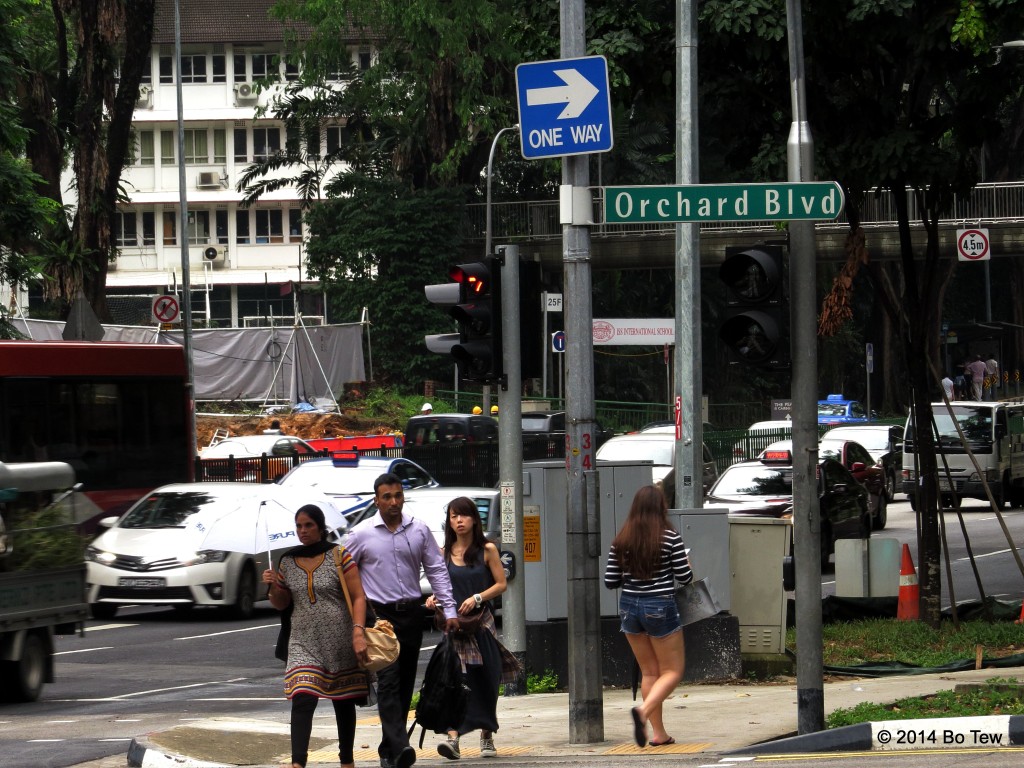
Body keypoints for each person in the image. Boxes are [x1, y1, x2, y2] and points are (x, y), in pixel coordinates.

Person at [346, 474, 459, 768]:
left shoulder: (418, 530)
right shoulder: (361, 535)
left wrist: (449, 610)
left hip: (411, 614)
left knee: (407, 682)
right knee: (389, 681)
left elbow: (436, 571)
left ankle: (388, 748)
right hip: (380, 618)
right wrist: (357, 620)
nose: (394, 502)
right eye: (387, 497)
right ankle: (400, 746)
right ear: (376, 500)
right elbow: (344, 574)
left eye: (398, 495)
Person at [263, 505, 370, 768]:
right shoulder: (287, 561)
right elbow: (281, 603)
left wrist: (358, 631)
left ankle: (347, 760)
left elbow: (358, 596)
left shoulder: (339, 555)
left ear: (320, 527)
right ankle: (298, 762)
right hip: (302, 640)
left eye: (308, 525)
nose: (303, 531)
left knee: (343, 699)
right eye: (299, 526)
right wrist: (272, 586)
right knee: (303, 694)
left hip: (340, 639)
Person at [604, 485, 692, 749]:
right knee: (673, 671)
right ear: (660, 507)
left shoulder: (621, 540)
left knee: (650, 672)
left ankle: (659, 734)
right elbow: (685, 578)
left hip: (629, 608)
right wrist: (687, 565)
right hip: (660, 607)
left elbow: (610, 581)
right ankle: (642, 712)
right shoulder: (669, 538)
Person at [425, 497, 511, 760]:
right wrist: (434, 599)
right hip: (454, 628)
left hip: (481, 625)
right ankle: (453, 739)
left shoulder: (487, 550)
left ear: (474, 518)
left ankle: (487, 733)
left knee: (485, 679)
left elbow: (501, 584)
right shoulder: (443, 553)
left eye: (463, 515)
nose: (458, 521)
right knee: (454, 681)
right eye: (453, 516)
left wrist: (477, 597)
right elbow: (441, 586)